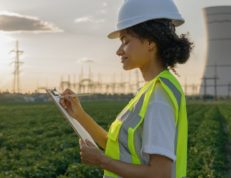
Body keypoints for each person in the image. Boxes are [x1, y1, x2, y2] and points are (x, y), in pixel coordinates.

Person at [60, 0, 193, 177]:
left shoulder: (159, 98)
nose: (119, 51)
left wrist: (101, 160)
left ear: (150, 43)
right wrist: (79, 115)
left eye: (125, 41)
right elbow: (117, 147)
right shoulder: (150, 91)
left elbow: (160, 173)